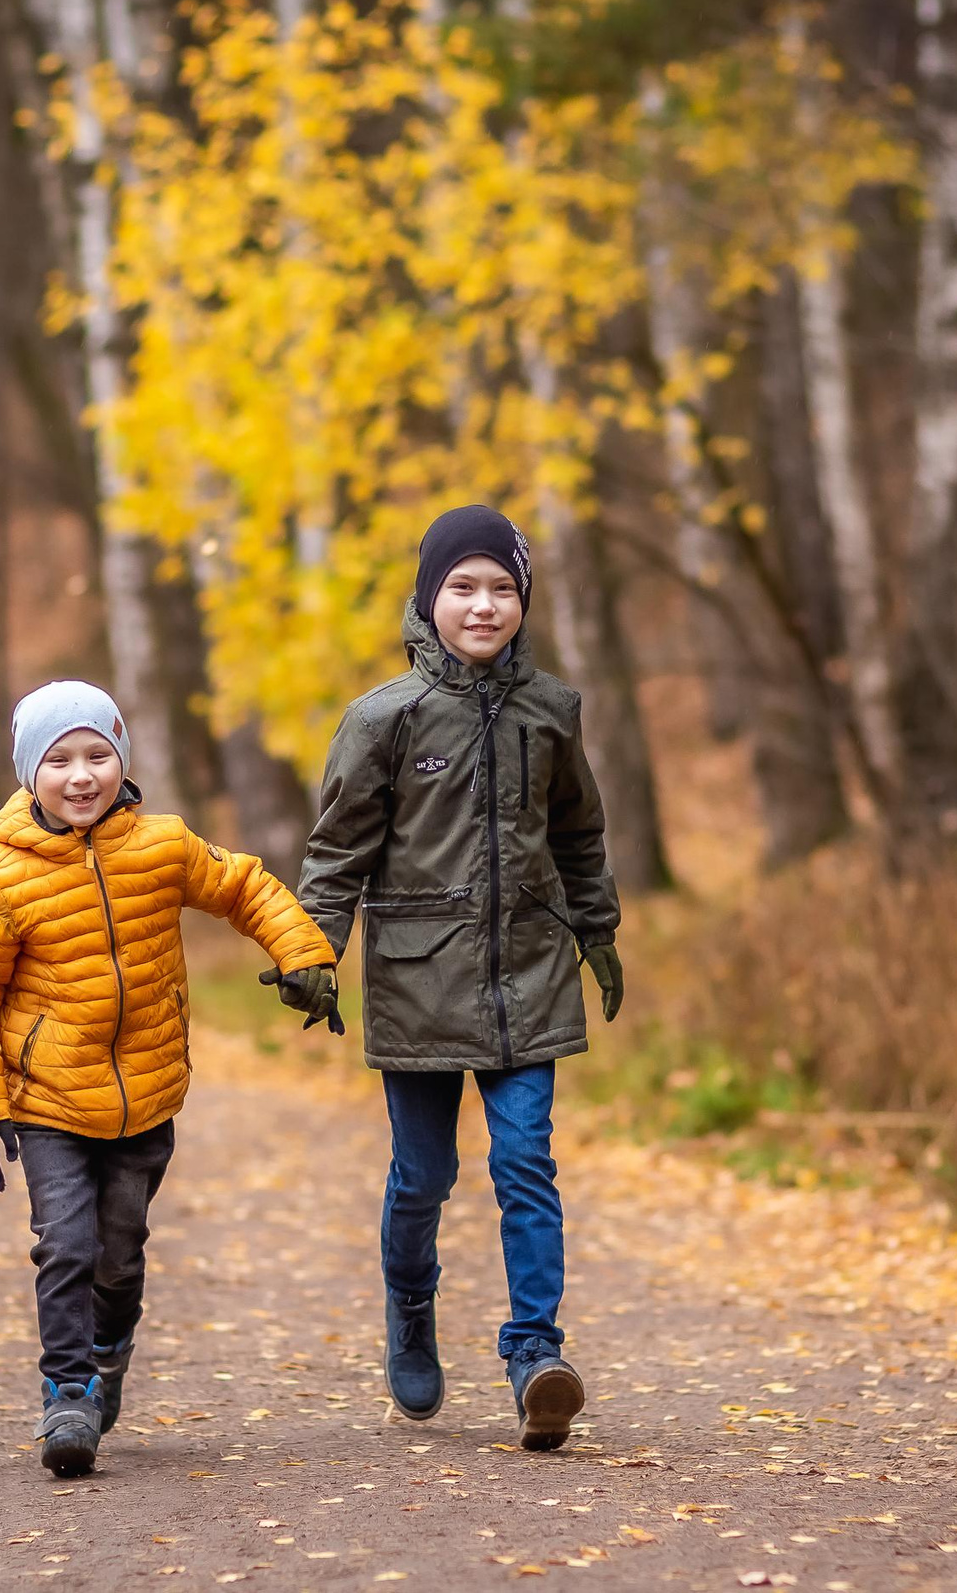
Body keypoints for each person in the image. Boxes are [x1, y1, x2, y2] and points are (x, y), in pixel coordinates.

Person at [0, 681, 339, 1478]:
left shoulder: (162, 845)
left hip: (147, 1095)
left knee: (119, 1256)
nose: (81, 774)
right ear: (28, 774)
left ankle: (109, 1346)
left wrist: (304, 952)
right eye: (59, 759)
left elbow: (245, 885)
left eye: (98, 754)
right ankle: (68, 1392)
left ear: (123, 761)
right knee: (65, 1245)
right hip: (47, 1100)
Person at [296, 504, 624, 1453]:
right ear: (429, 596)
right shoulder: (382, 719)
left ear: (524, 603)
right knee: (424, 1176)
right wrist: (314, 949)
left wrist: (596, 927)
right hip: (418, 983)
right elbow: (336, 851)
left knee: (526, 1160)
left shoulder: (552, 712)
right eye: (463, 586)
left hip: (528, 973)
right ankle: (410, 1304)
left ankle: (535, 1354)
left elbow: (578, 831)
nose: (484, 605)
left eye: (503, 589)